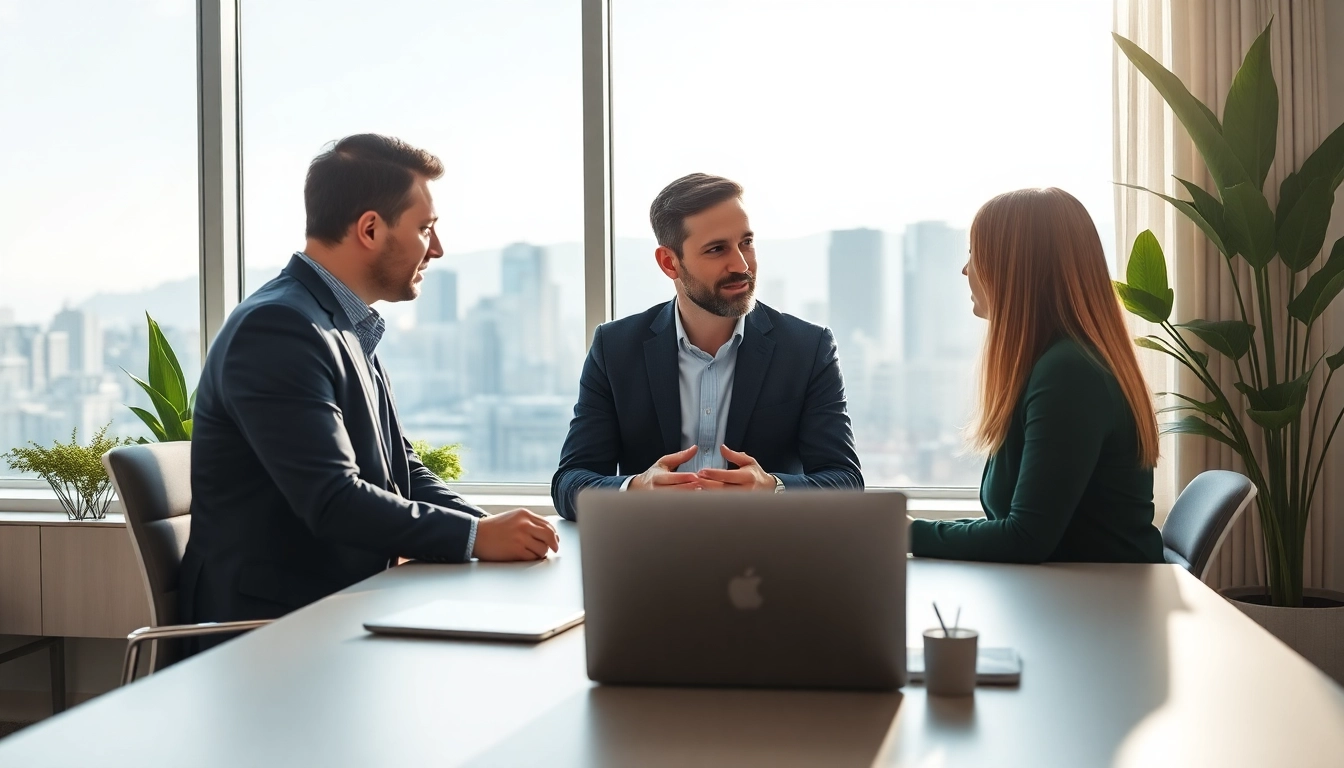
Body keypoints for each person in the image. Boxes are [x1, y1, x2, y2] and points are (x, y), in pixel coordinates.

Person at [182, 135, 558, 638]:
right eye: (426, 229)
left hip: (340, 609)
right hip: (273, 633)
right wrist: (474, 537)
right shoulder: (279, 328)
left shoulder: (337, 321)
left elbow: (399, 464)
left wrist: (489, 527)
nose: (438, 249)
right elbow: (332, 498)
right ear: (370, 229)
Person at [551, 173, 863, 520]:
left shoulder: (808, 349)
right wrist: (636, 490)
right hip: (651, 556)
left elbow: (846, 482)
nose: (742, 265)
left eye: (746, 242)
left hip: (767, 559)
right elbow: (569, 483)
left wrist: (773, 488)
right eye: (717, 249)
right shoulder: (614, 348)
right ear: (670, 263)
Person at [909, 187, 1164, 563]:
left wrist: (907, 533)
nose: (966, 269)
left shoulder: (1070, 373)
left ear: (1015, 268)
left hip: (1103, 609)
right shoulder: (1058, 362)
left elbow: (1024, 537)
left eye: (974, 252)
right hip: (1078, 596)